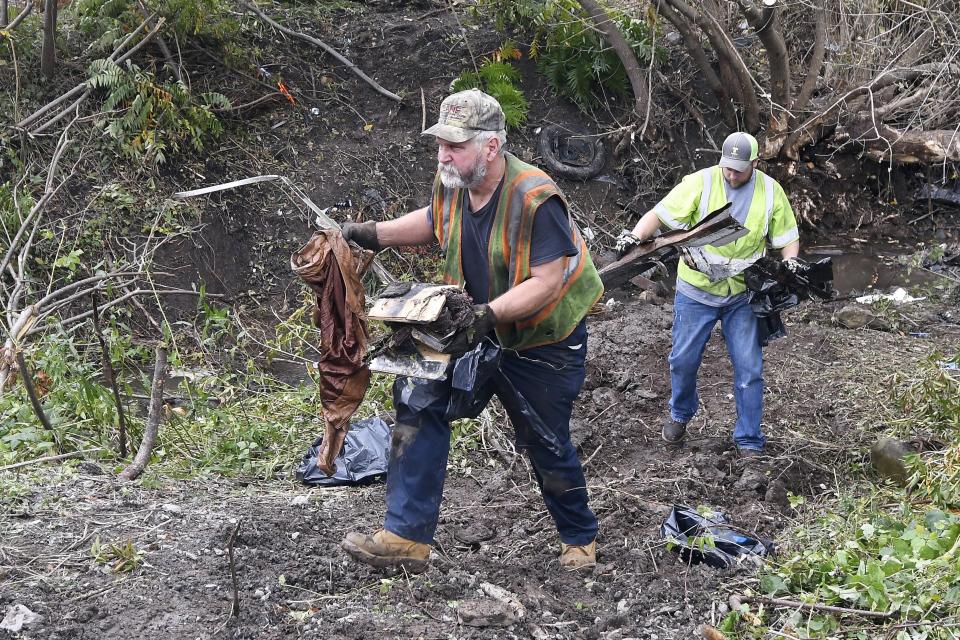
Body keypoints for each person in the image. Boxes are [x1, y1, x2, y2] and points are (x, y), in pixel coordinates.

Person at [339, 89, 605, 571]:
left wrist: (487, 317)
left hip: (541, 339)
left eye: (455, 145)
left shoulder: (536, 198)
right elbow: (433, 220)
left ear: (491, 146)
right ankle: (405, 537)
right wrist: (370, 233)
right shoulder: (453, 179)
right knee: (417, 402)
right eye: (441, 143)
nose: (443, 154)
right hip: (470, 323)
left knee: (544, 438)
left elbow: (547, 282)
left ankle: (579, 537)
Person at [617, 132, 799, 488]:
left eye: (739, 171)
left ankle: (749, 440)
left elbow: (787, 237)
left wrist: (791, 263)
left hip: (742, 295)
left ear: (755, 165)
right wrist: (633, 236)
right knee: (682, 360)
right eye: (727, 168)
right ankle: (680, 414)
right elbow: (659, 215)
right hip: (696, 291)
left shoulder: (770, 192)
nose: (732, 176)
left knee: (749, 368)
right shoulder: (700, 183)